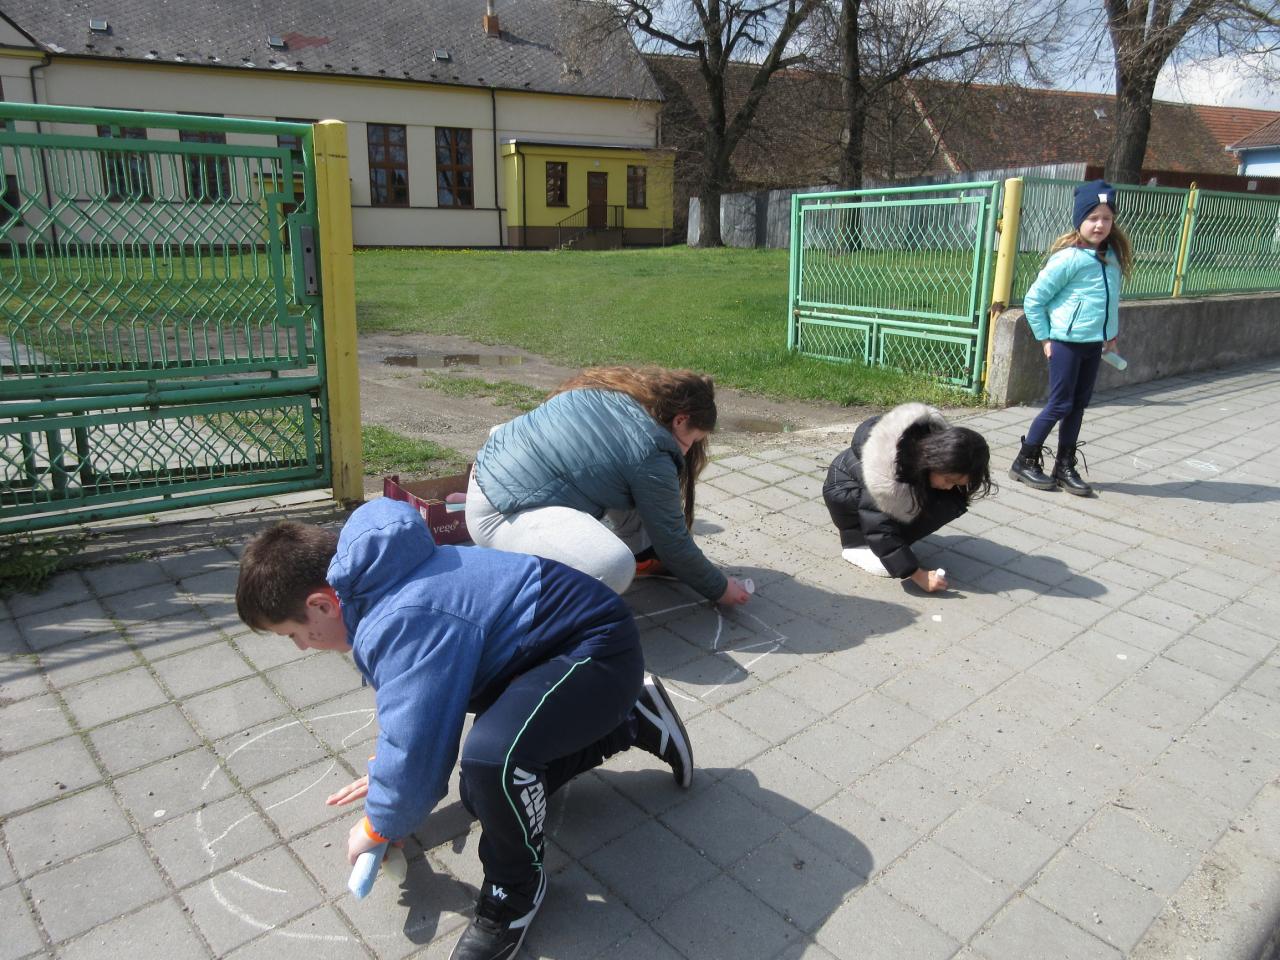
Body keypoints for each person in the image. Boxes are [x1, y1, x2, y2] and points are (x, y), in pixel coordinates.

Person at [234, 498, 693, 960]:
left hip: (599, 651)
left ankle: (513, 895)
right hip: (544, 656)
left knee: (493, 761)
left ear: (320, 605)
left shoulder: (401, 617)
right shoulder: (381, 587)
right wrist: (389, 778)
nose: (300, 647)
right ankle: (631, 722)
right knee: (484, 795)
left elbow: (418, 754)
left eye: (292, 634)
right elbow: (413, 719)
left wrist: (380, 822)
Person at [465, 365, 752, 606]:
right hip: (501, 514)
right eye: (693, 440)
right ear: (680, 420)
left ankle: (645, 558)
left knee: (648, 500)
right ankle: (524, 603)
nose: (688, 452)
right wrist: (721, 589)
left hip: (492, 475)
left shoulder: (614, 393)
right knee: (614, 566)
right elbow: (673, 541)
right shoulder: (650, 452)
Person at [1009, 179, 1132, 496]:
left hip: (1092, 345)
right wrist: (1046, 339)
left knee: (1078, 405)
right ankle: (1024, 461)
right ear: (1080, 220)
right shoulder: (1068, 259)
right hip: (1065, 344)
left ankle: (1064, 466)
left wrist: (1110, 336)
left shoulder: (1110, 257)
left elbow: (1109, 302)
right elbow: (1034, 301)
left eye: (1106, 218)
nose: (1100, 225)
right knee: (1060, 404)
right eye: (1093, 218)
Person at [822, 402, 992, 592]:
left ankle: (890, 547)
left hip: (875, 496)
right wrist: (916, 574)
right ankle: (856, 545)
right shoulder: (889, 469)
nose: (949, 486)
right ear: (936, 461)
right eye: (948, 480)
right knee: (888, 551)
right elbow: (877, 524)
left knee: (947, 502)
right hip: (845, 494)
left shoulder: (927, 449)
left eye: (956, 483)